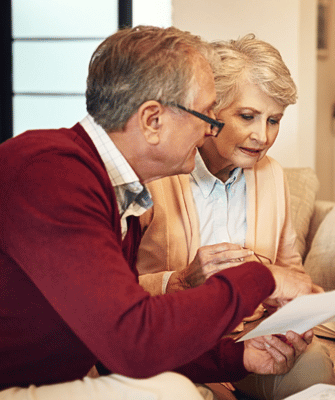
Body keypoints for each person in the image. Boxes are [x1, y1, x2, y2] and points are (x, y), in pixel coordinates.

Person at [0, 26, 315, 399]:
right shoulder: (51, 171)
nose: (210, 131)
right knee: (173, 393)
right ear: (153, 121)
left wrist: (238, 356)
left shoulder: (119, 193)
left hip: (60, 377)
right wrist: (262, 278)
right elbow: (133, 339)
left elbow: (128, 337)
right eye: (207, 114)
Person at [135, 34, 335, 399]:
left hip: (253, 336)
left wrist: (301, 306)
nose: (262, 136)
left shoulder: (272, 175)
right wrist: (179, 280)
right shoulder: (158, 175)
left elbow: (290, 268)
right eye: (248, 116)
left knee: (315, 368)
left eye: (274, 120)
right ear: (210, 111)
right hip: (176, 342)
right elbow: (118, 297)